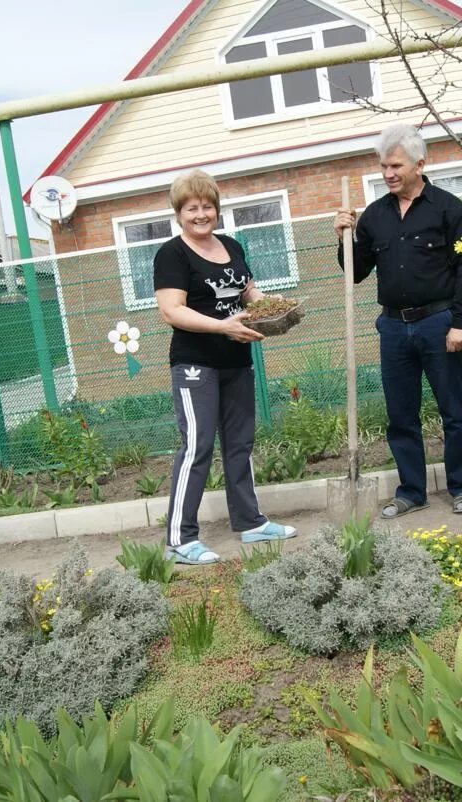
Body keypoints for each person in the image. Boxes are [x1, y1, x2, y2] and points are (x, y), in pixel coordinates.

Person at [334, 123, 462, 518]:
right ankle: (411, 491)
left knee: (454, 410)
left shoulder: (449, 209)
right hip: (394, 328)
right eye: (384, 166)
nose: (388, 174)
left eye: (396, 165)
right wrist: (344, 238)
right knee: (400, 414)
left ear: (420, 163)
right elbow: (355, 272)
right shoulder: (374, 217)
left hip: (439, 323)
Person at [153, 169, 296, 564]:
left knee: (240, 444)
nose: (201, 214)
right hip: (195, 363)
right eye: (191, 208)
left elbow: (249, 293)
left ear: (217, 209)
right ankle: (180, 539)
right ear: (178, 214)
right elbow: (171, 311)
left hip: (236, 359)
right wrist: (222, 326)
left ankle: (250, 522)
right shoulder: (172, 254)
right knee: (196, 446)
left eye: (208, 206)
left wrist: (274, 307)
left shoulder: (231, 245)